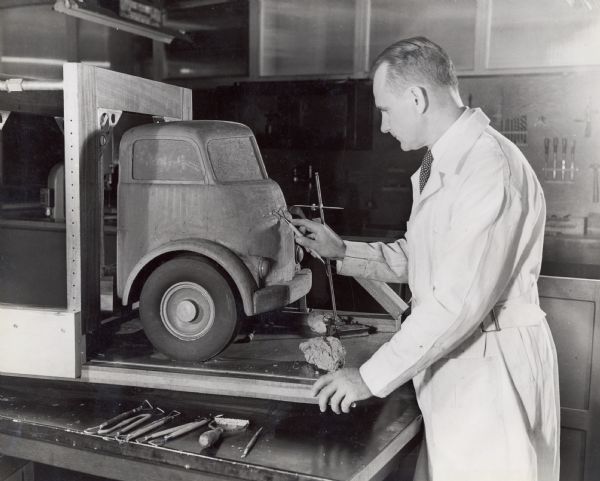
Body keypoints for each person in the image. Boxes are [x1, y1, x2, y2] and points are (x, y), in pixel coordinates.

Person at [292, 37, 560, 481]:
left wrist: (367, 378)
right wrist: (341, 251)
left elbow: (455, 301)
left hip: (491, 372)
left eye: (385, 110)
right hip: (464, 367)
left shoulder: (488, 168)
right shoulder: (448, 161)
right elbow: (428, 261)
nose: (382, 126)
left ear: (416, 98)